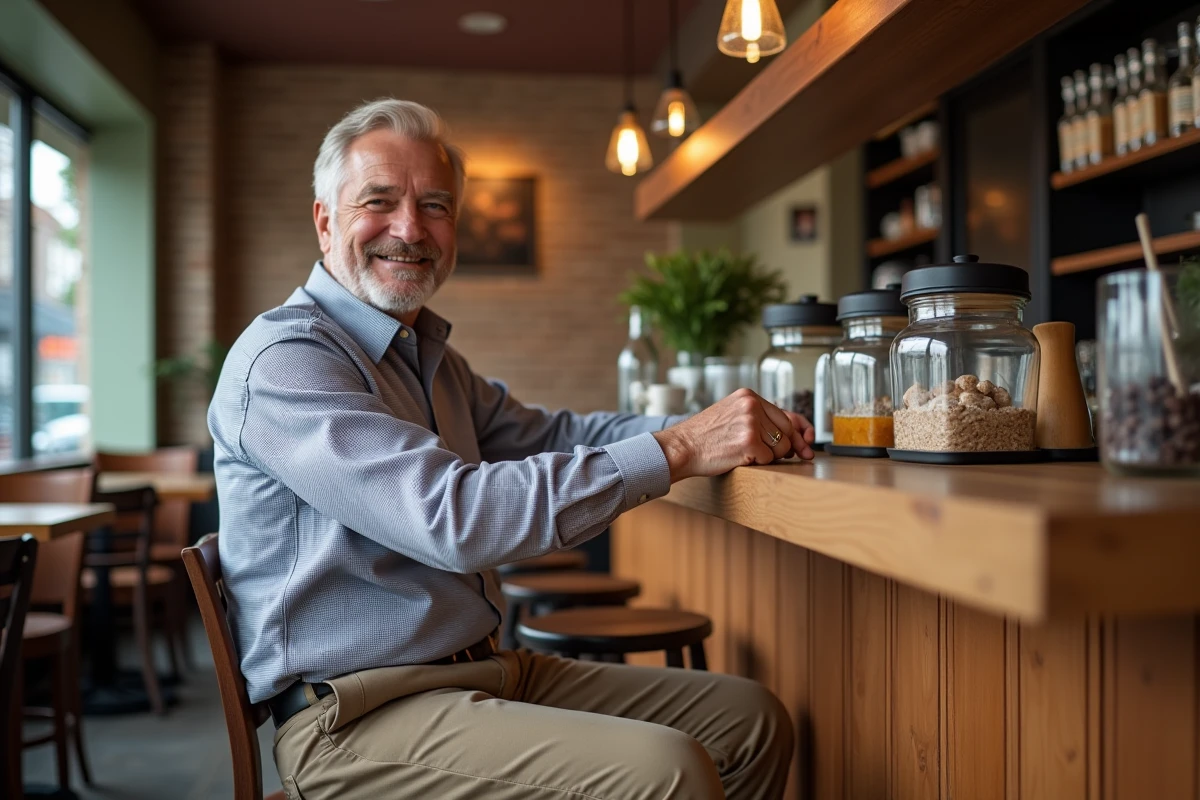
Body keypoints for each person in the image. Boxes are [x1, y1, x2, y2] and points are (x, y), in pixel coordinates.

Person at [209, 98, 815, 800]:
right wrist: (679, 447)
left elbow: (558, 435)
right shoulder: (286, 360)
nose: (410, 228)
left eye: (435, 206)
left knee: (750, 721)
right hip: (354, 720)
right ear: (324, 220)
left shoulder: (426, 354)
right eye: (379, 201)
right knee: (668, 772)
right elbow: (454, 521)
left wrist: (715, 425)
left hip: (482, 669)